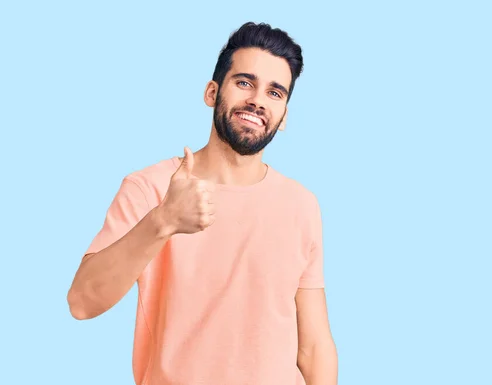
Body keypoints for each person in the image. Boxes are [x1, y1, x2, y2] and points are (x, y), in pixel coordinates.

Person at [66, 22, 337, 385]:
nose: (257, 99)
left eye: (275, 92)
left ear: (284, 116)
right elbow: (82, 302)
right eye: (244, 83)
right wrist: (162, 221)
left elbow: (314, 346)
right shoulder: (150, 188)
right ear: (212, 92)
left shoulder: (301, 204)